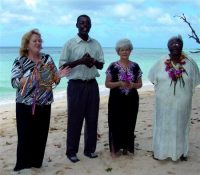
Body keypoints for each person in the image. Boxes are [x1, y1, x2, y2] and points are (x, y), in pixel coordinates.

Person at [11, 29, 70, 171]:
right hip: (25, 105)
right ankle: (22, 167)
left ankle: (36, 164)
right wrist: (31, 78)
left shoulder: (47, 59)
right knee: (25, 137)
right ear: (27, 44)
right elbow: (14, 82)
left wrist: (59, 76)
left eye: (39, 40)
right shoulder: (20, 60)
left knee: (40, 136)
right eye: (34, 41)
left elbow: (53, 80)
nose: (38, 43)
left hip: (44, 104)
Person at [59, 14, 104, 163]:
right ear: (76, 25)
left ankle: (89, 150)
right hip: (75, 86)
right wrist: (80, 61)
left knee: (92, 119)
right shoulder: (70, 44)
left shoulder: (96, 44)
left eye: (87, 23)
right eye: (82, 23)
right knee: (74, 120)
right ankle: (71, 152)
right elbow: (62, 67)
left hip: (92, 85)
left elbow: (101, 65)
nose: (85, 25)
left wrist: (92, 61)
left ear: (91, 25)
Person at [148, 35, 200, 161]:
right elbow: (152, 77)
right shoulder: (161, 61)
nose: (175, 45)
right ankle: (160, 153)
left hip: (183, 103)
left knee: (181, 126)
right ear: (168, 46)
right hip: (164, 102)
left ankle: (181, 153)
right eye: (172, 43)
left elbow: (196, 80)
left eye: (178, 43)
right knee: (163, 125)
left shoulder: (190, 62)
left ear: (182, 46)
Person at [105, 39, 142, 157]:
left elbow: (140, 84)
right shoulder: (112, 66)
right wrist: (119, 83)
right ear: (118, 52)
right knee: (115, 123)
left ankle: (127, 148)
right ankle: (115, 149)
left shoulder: (136, 66)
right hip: (116, 100)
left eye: (127, 49)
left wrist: (133, 85)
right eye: (122, 50)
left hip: (132, 100)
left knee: (130, 123)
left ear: (130, 51)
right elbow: (107, 84)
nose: (124, 52)